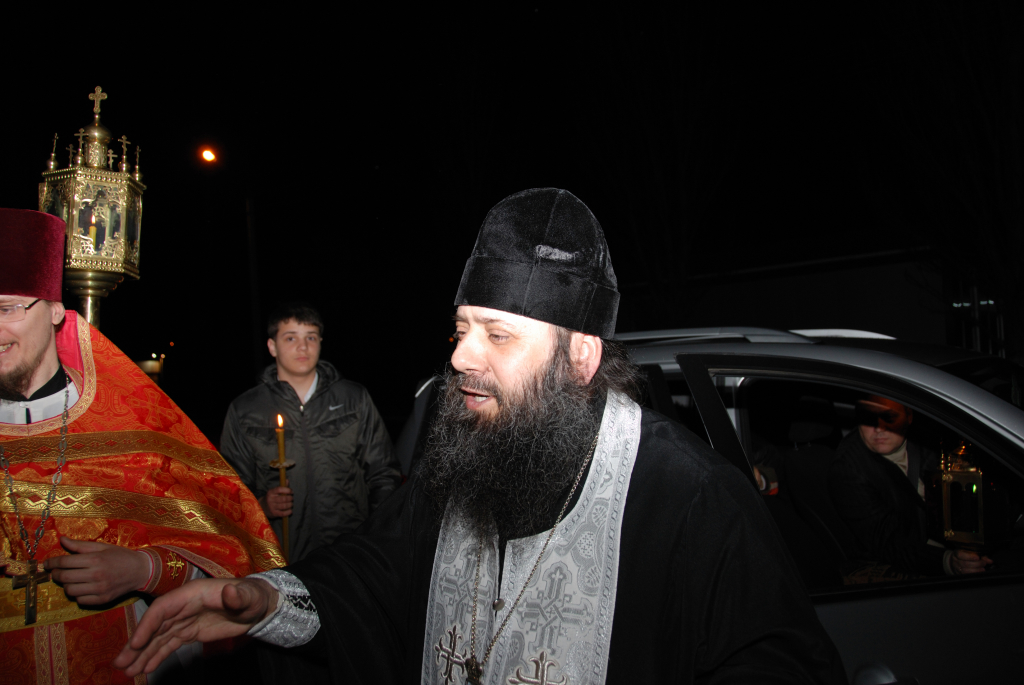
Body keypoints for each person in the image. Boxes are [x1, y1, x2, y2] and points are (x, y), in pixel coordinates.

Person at [116, 189, 846, 683]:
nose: (463, 356)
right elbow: (374, 575)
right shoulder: (464, 459)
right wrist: (265, 600)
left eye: (497, 334)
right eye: (462, 329)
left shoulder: (693, 499)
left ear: (580, 358)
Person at [0, 208, 284, 683]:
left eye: (7, 308)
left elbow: (228, 562)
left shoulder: (135, 427)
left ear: (54, 310)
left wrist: (143, 569)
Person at [219, 303, 400, 563]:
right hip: (281, 556)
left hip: (347, 553)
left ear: (320, 343)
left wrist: (374, 536)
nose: (303, 347)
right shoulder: (245, 410)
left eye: (311, 337)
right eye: (290, 338)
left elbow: (383, 473)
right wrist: (262, 505)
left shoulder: (353, 398)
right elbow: (230, 489)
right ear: (272, 346)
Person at [828, 395, 992, 577]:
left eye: (889, 417)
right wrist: (947, 561)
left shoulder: (931, 439)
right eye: (868, 418)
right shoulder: (848, 467)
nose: (878, 428)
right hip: (895, 566)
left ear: (909, 416)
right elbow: (887, 542)